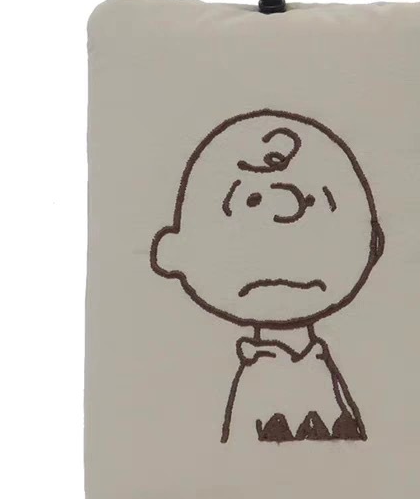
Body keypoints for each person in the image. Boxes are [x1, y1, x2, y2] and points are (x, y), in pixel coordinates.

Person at [150, 109, 385, 443]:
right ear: (174, 252)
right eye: (251, 201)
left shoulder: (314, 367)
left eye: (310, 201)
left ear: (371, 242)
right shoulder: (264, 378)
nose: (283, 210)